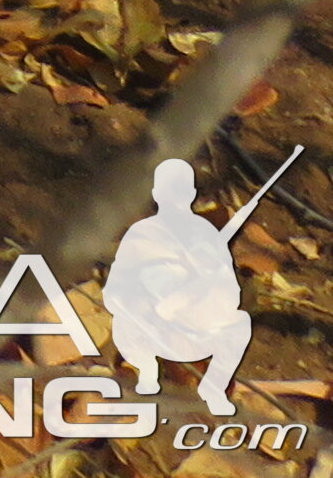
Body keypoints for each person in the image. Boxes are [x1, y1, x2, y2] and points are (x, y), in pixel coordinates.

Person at [102, 159, 252, 414]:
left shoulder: (205, 234)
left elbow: (230, 292)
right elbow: (114, 291)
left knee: (240, 324)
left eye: (181, 192)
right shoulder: (142, 233)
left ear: (191, 194)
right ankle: (147, 378)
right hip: (148, 324)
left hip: (193, 324)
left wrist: (207, 278)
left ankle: (213, 387)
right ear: (157, 194)